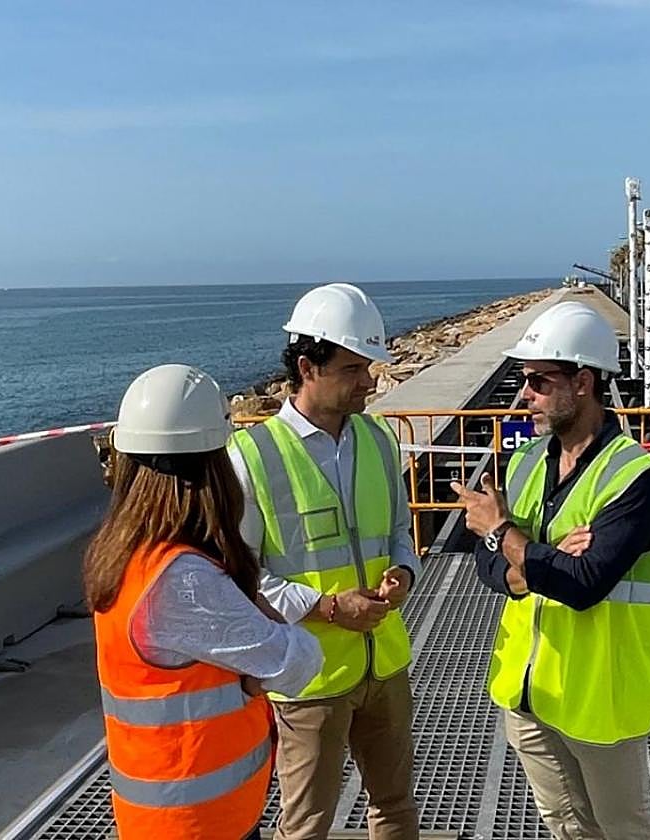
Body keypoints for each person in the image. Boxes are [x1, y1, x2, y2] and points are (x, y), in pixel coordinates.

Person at [453, 301, 650, 840]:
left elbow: (584, 585)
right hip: (529, 691)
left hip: (599, 697)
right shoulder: (524, 462)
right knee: (564, 825)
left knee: (625, 828)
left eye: (538, 381)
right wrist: (535, 557)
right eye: (522, 380)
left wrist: (503, 533)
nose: (524, 395)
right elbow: (486, 568)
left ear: (583, 382)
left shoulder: (638, 479)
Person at [86, 363, 324, 840]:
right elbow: (298, 662)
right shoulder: (181, 579)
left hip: (161, 812)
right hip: (201, 821)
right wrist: (263, 629)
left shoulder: (129, 555)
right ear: (215, 467)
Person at [228, 282, 421, 840]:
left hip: (384, 664)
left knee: (395, 806)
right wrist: (328, 607)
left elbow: (402, 534)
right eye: (355, 369)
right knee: (307, 823)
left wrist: (404, 574)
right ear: (308, 367)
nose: (370, 382)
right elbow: (243, 575)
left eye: (370, 368)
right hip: (310, 677)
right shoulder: (253, 456)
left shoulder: (381, 440)